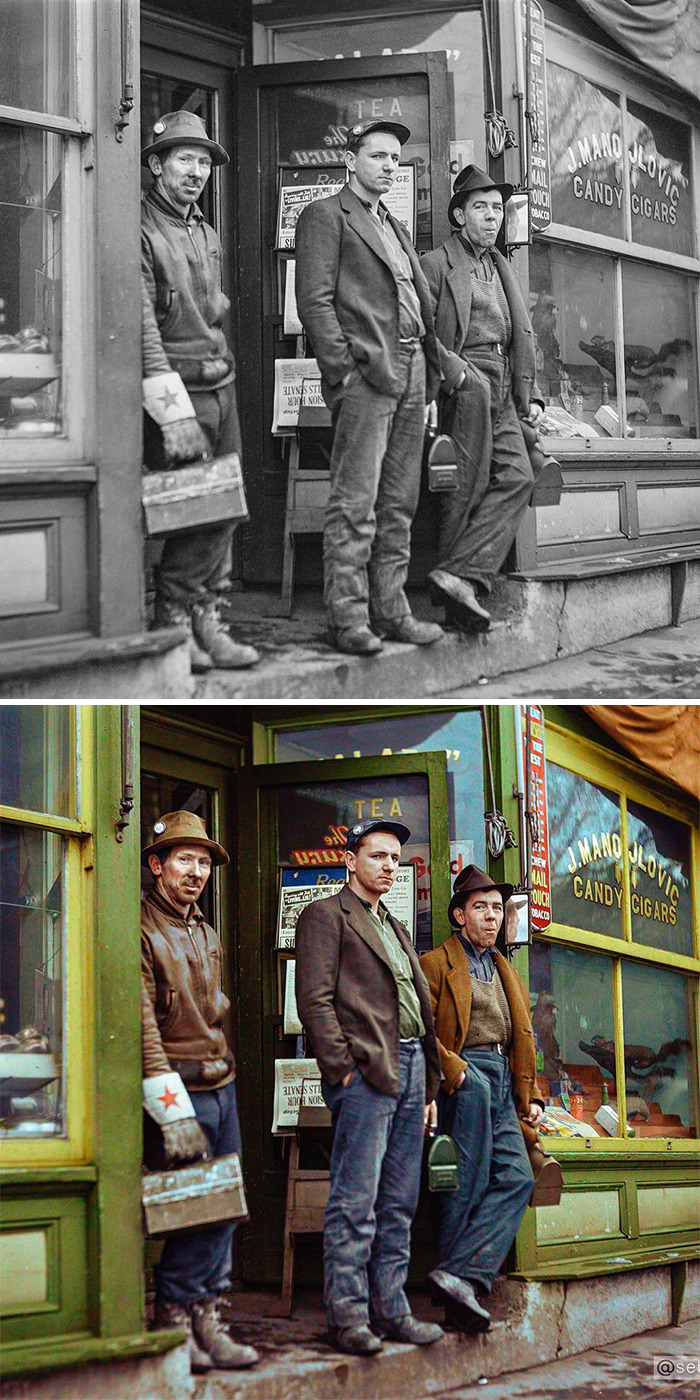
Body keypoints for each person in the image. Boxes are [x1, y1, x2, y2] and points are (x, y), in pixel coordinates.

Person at [294, 121, 445, 656]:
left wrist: (429, 366)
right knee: (355, 501)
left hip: (412, 370)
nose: (387, 165)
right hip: (367, 374)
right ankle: (348, 617)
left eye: (394, 159)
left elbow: (416, 300)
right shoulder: (325, 216)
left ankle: (393, 611)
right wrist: (343, 372)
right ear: (350, 161)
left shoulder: (395, 225)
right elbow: (313, 302)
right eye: (377, 155)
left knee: (399, 502)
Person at [295, 819, 444, 1355]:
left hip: (409, 1071)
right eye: (377, 855)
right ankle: (348, 1317)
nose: (388, 865)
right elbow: (313, 1001)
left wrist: (427, 1086)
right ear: (351, 862)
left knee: (399, 1201)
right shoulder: (325, 916)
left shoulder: (395, 925)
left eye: (395, 859)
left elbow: (418, 1011)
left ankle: (392, 1310)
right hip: (366, 1073)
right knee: (355, 1201)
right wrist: (343, 1071)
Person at [420, 864, 562, 1333]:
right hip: (467, 1077)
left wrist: (534, 1094)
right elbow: (418, 1029)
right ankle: (459, 1291)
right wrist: (455, 1071)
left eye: (497, 908)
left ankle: (459, 1275)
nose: (490, 916)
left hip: (504, 1079)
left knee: (519, 1178)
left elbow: (523, 1038)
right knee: (469, 1180)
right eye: (479, 907)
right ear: (460, 915)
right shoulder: (437, 963)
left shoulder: (506, 970)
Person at [141, 810, 259, 1373]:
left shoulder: (205, 931)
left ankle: (209, 1315)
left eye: (204, 862)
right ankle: (174, 1319)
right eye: (184, 859)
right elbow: (142, 1026)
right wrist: (170, 1112)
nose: (196, 871)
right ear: (156, 865)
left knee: (222, 1205)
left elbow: (213, 1013)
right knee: (189, 1206)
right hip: (176, 1086)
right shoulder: (139, 928)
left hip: (221, 1081)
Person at [141, 110, 258, 673]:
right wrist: (171, 412)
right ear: (156, 165)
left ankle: (210, 619)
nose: (196, 171)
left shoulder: (205, 231)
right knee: (193, 511)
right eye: (183, 159)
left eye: (203, 161)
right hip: (178, 391)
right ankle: (174, 620)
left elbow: (210, 312)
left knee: (227, 507)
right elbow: (141, 326)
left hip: (221, 382)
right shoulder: (139, 227)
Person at [421, 165, 545, 633]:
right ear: (459, 214)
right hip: (464, 379)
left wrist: (527, 393)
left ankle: (460, 575)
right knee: (464, 487)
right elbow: (421, 331)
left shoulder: (501, 265)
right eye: (481, 207)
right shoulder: (437, 263)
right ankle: (457, 601)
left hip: (502, 381)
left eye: (497, 208)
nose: (491, 216)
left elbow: (521, 335)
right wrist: (455, 374)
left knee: (519, 474)